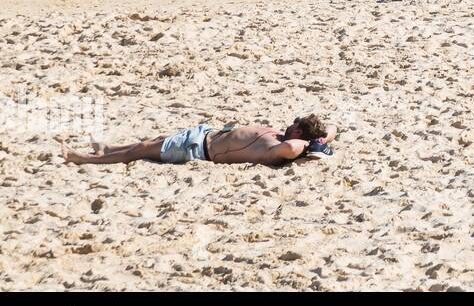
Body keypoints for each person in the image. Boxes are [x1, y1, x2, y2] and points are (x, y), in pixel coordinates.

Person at [63, 114, 335, 166]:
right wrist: (321, 139)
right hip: (203, 135)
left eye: (295, 124)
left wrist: (312, 146)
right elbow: (333, 128)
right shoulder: (282, 136)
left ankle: (85, 159)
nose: (290, 123)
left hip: (198, 149)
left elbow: (290, 149)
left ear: (299, 133)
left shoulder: (282, 146)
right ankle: (107, 148)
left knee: (143, 150)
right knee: (153, 141)